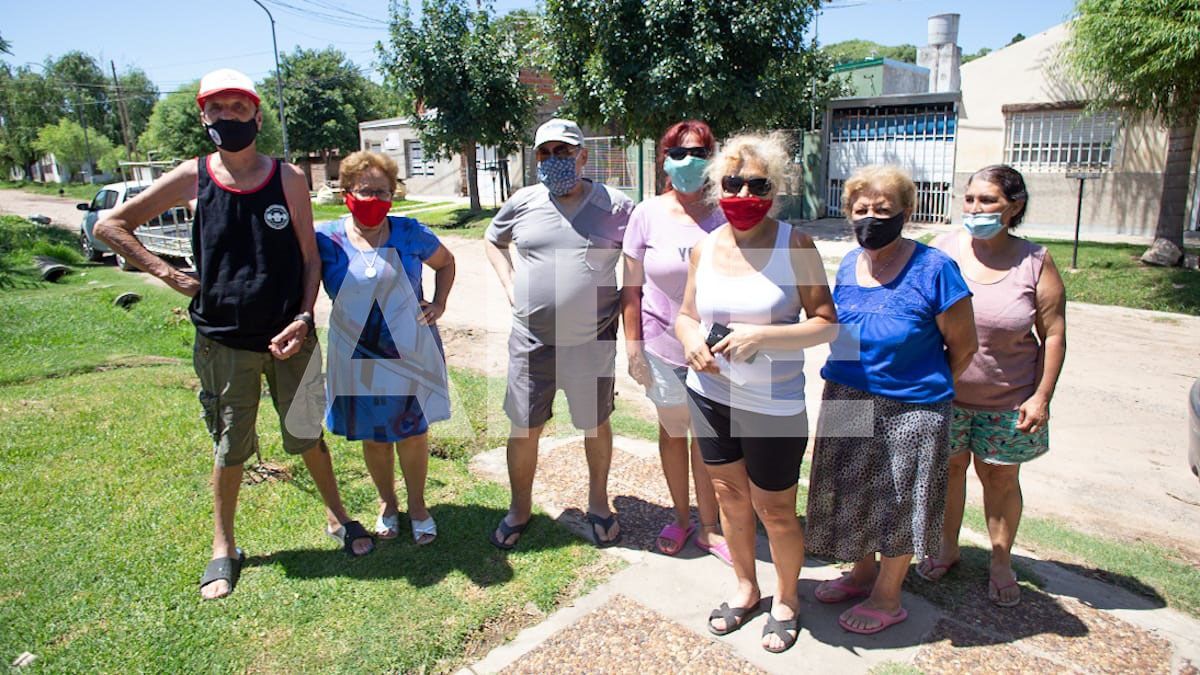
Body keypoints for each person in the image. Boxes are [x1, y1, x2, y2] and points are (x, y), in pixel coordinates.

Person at [95, 69, 374, 601]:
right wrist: (170, 275)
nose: (228, 117)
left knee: (308, 435)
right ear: (204, 117)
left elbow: (310, 258)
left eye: (238, 108)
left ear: (257, 116)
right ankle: (224, 547)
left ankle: (340, 518)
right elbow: (111, 225)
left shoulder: (288, 178)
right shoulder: (192, 177)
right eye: (217, 109)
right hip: (223, 340)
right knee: (230, 447)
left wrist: (303, 316)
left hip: (289, 338)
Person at [676, 132, 838, 653]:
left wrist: (762, 335)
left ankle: (787, 598)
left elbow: (826, 324)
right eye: (732, 182)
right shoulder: (704, 245)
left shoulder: (796, 245)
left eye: (757, 184)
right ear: (716, 186)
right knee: (729, 497)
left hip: (773, 403)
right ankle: (746, 589)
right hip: (709, 395)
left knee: (775, 509)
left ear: (776, 188)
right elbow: (684, 315)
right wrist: (690, 343)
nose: (743, 193)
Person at [805, 165, 978, 635]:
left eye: (883, 210)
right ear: (848, 214)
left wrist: (920, 387)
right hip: (845, 391)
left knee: (899, 499)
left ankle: (888, 594)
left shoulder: (935, 268)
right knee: (851, 490)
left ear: (906, 212)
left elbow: (964, 348)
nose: (871, 218)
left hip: (913, 405)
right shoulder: (846, 263)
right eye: (861, 210)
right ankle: (861, 573)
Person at [919, 165, 1066, 607]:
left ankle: (1001, 562)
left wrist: (1041, 397)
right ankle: (948, 548)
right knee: (949, 473)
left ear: (1013, 206)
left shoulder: (1035, 261)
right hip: (946, 397)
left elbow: (1053, 334)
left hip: (1009, 401)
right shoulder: (943, 250)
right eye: (970, 199)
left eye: (988, 201)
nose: (975, 209)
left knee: (1000, 480)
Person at [484, 118, 633, 549]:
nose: (554, 161)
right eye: (544, 153)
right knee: (524, 427)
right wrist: (510, 285)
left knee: (595, 423)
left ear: (584, 156)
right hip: (532, 341)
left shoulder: (616, 206)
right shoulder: (523, 202)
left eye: (563, 152)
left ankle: (599, 504)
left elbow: (642, 261)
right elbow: (493, 241)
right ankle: (519, 508)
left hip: (593, 339)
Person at [315, 150, 456, 546]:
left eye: (382, 191)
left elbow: (446, 263)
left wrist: (440, 302)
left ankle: (417, 506)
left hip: (412, 352)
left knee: (413, 433)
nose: (373, 199)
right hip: (356, 357)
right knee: (375, 437)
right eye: (364, 190)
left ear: (394, 194)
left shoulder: (411, 233)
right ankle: (387, 503)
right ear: (346, 192)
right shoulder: (326, 238)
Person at [620, 120, 730, 563]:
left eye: (699, 153)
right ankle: (681, 518)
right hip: (660, 347)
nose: (689, 162)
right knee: (672, 433)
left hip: (713, 352)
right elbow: (630, 287)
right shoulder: (646, 214)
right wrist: (632, 345)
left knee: (709, 440)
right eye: (679, 153)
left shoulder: (727, 213)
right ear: (664, 159)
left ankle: (709, 526)